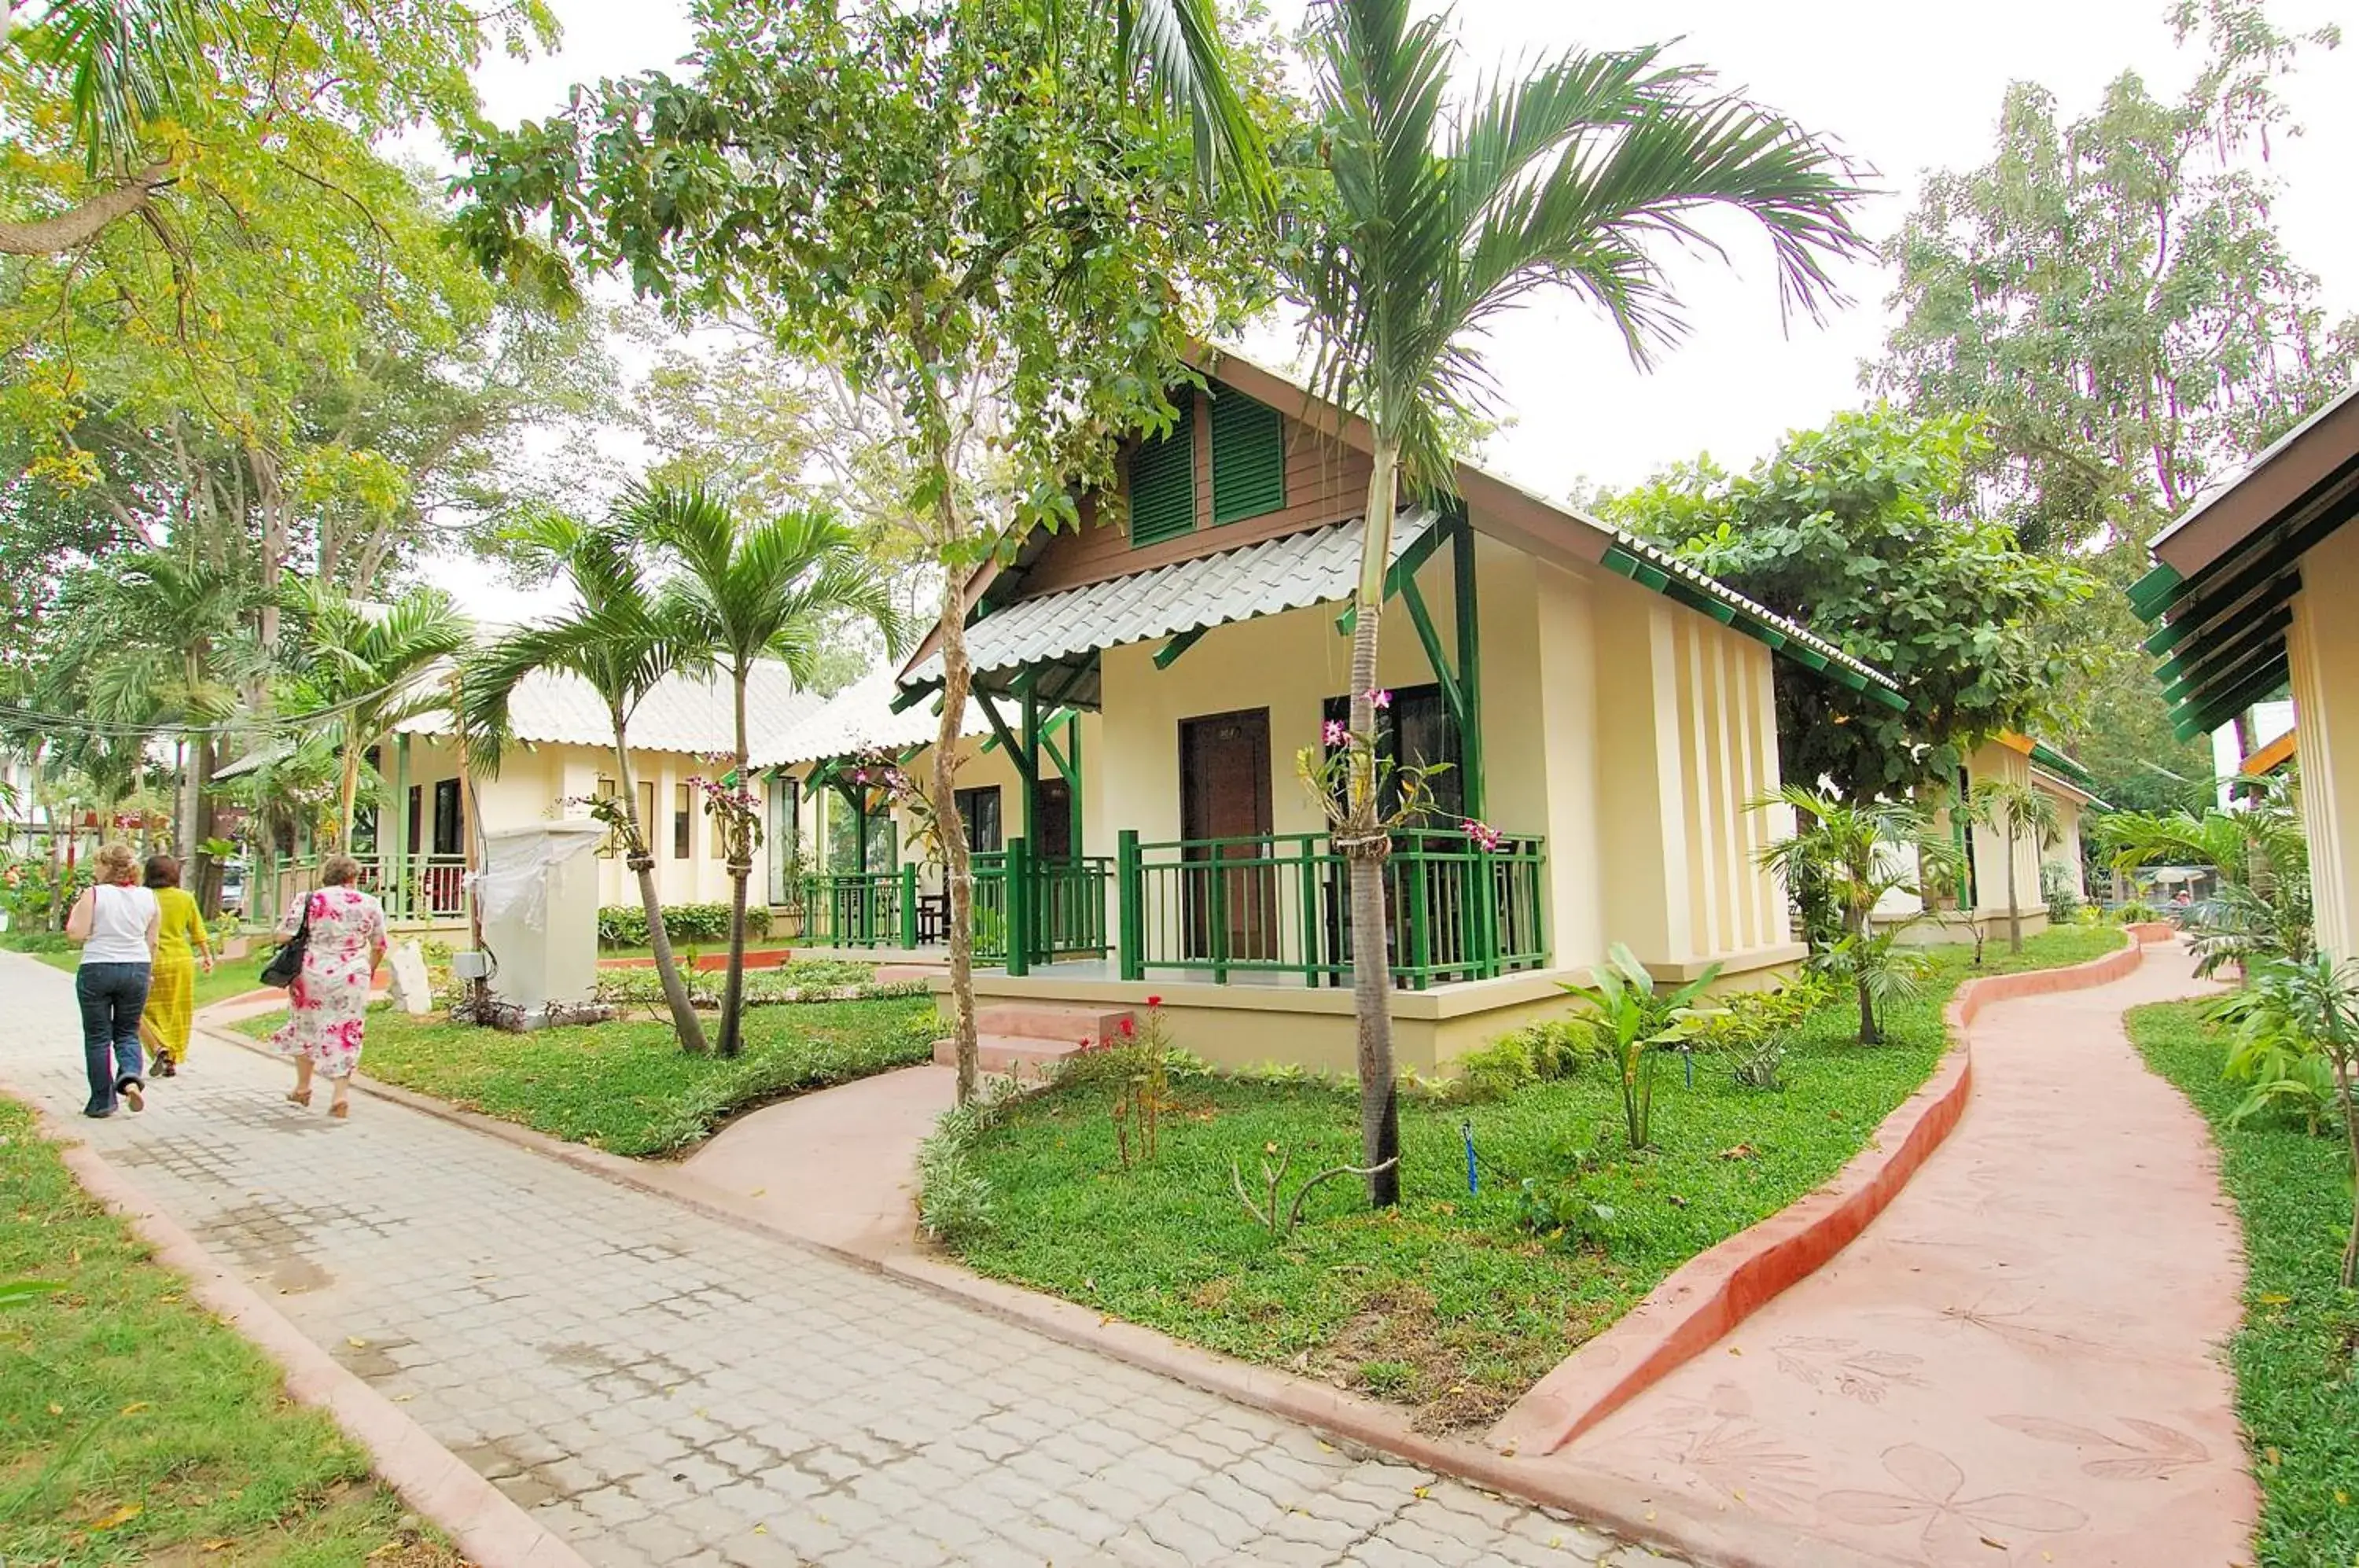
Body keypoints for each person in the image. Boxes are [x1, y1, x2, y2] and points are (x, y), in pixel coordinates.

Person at [268, 852, 387, 1120]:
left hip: (311, 973)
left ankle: (303, 1087)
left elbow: (284, 935)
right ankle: (340, 1095)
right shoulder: (369, 903)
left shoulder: (309, 899)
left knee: (305, 1025)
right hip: (353, 974)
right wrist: (368, 968)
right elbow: (380, 945)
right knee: (348, 1030)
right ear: (353, 877)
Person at [63, 841, 159, 1119]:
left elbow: (75, 932)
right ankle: (129, 1078)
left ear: (105, 866)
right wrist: (147, 972)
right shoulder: (148, 897)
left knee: (98, 1038)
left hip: (98, 967)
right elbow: (153, 941)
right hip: (137, 967)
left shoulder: (94, 894)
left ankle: (101, 1101)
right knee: (127, 1032)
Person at [138, 853, 214, 1078]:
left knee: (141, 1010)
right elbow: (197, 930)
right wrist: (207, 956)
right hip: (181, 960)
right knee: (177, 1011)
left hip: (151, 959)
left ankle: (159, 1047)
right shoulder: (185, 898)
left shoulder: (144, 897)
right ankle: (172, 1057)